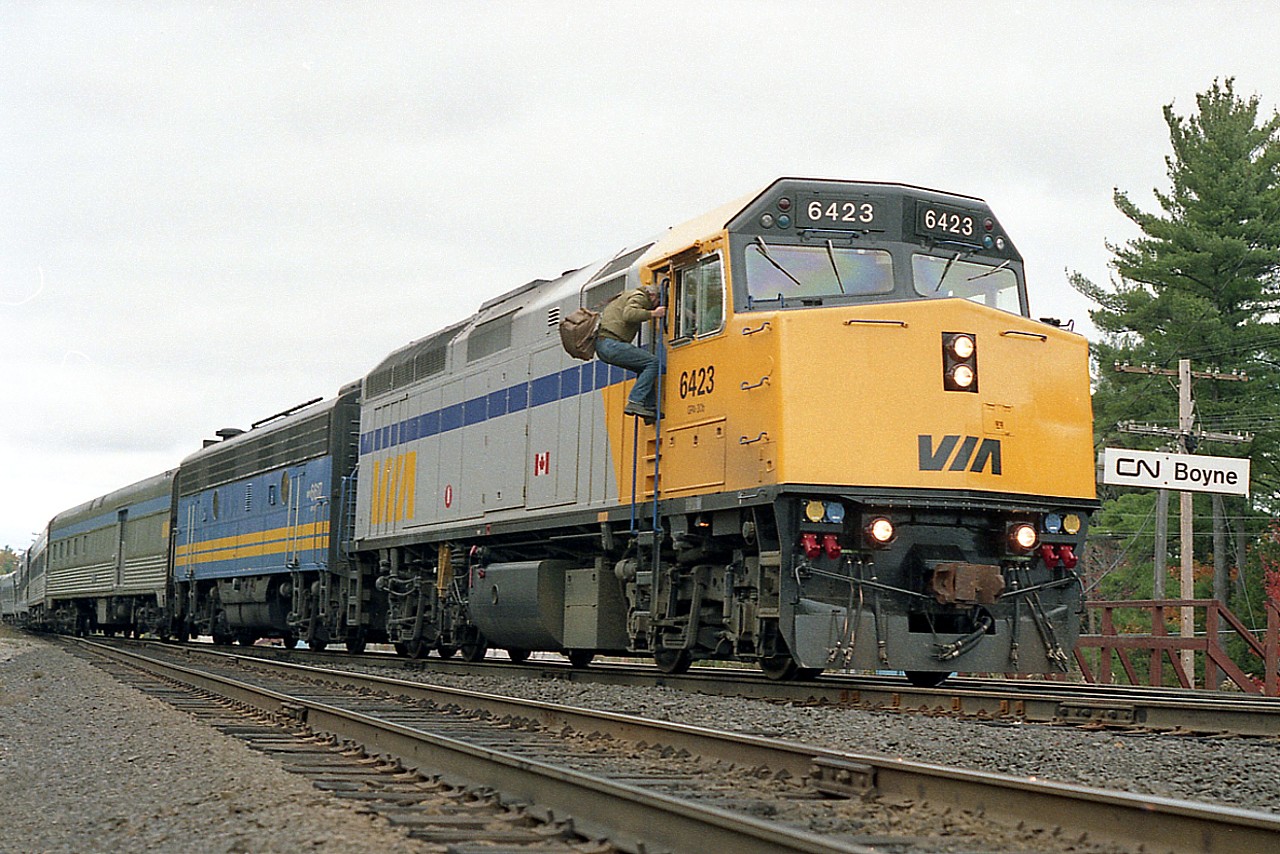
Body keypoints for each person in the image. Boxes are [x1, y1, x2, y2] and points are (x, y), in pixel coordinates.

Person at [595, 283, 666, 422]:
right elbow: (629, 314)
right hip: (611, 343)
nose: (657, 304)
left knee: (643, 367)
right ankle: (635, 401)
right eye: (658, 301)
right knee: (653, 362)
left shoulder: (627, 295)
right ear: (652, 295)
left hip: (605, 345)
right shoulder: (639, 296)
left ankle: (649, 408)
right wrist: (653, 314)